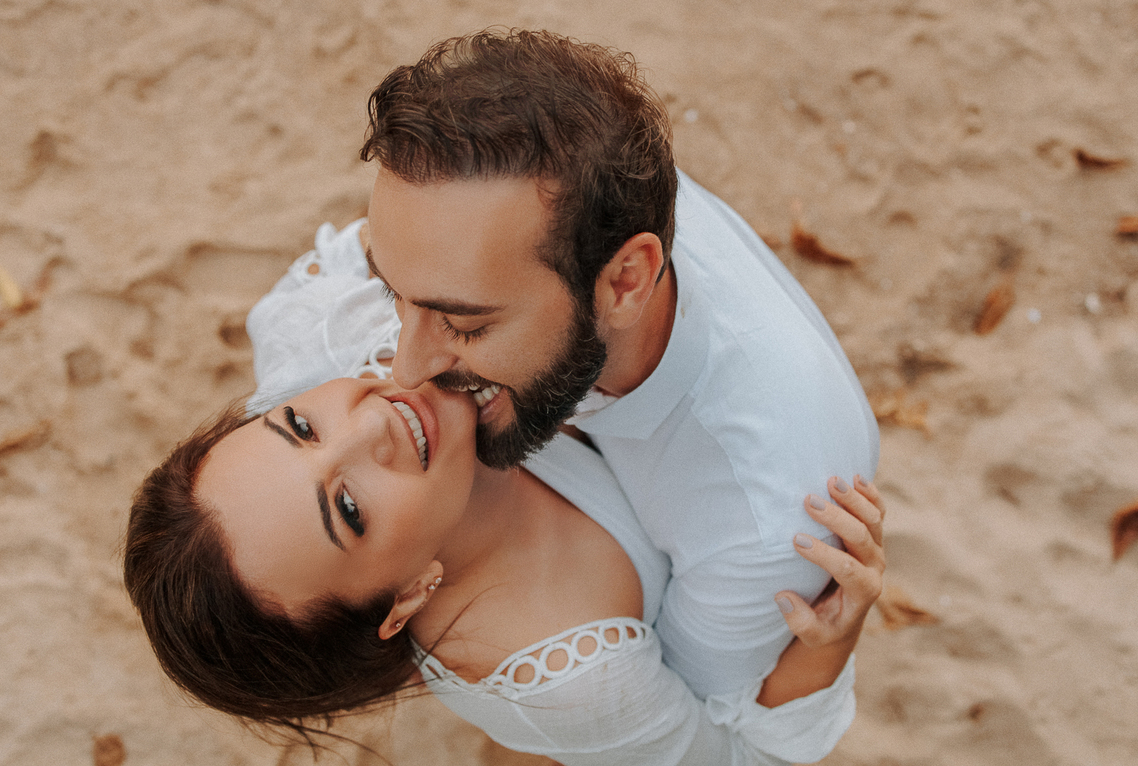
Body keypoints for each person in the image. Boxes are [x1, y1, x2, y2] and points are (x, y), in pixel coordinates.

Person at [124, 227, 886, 763]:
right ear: (401, 602)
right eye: (348, 510)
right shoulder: (573, 674)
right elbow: (733, 762)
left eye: (296, 426)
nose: (373, 422)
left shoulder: (344, 336)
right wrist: (821, 656)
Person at [344, 28, 880, 732]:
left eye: (465, 325)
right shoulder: (576, 184)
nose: (403, 370)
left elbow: (693, 726)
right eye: (394, 294)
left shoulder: (762, 522)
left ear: (625, 281)